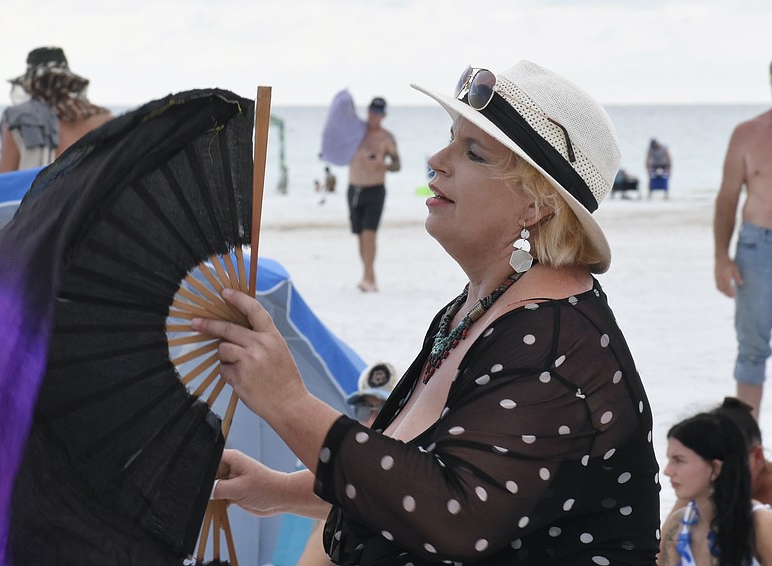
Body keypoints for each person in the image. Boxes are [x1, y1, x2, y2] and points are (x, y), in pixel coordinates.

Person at [195, 60, 660, 564]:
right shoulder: (480, 307)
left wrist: (289, 403)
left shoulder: (556, 347)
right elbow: (408, 469)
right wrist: (279, 490)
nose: (436, 160)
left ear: (535, 206)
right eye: (449, 137)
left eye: (473, 152)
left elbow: (454, 515)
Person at [295, 363, 398, 566]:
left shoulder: (424, 484)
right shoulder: (341, 489)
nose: (371, 418)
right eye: (364, 408)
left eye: (384, 408)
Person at [714, 61, 772, 418]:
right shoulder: (748, 134)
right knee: (752, 349)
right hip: (757, 249)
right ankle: (751, 451)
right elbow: (727, 198)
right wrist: (721, 257)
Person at [659, 411, 772, 565]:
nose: (667, 470)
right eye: (669, 459)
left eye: (679, 460)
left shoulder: (759, 522)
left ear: (716, 467)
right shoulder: (677, 525)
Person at [0, 46, 112, 173]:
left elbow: (4, 180)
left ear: (30, 80)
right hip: (91, 192)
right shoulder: (104, 118)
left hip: (45, 192)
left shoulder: (19, 119)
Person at [347, 97, 400, 293]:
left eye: (378, 112)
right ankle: (368, 274)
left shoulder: (386, 138)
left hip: (375, 189)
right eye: (372, 111)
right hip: (354, 189)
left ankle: (369, 276)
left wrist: (383, 165)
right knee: (360, 236)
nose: (374, 116)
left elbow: (397, 164)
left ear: (384, 115)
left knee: (370, 233)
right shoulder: (356, 134)